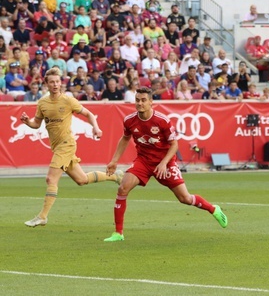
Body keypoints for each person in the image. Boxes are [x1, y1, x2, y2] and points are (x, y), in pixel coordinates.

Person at [102, 87, 227, 241]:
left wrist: (163, 163)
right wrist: (114, 160)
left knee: (185, 198)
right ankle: (118, 233)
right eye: (137, 100)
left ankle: (213, 209)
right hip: (143, 161)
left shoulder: (162, 121)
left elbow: (174, 145)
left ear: (151, 102)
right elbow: (125, 138)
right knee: (123, 188)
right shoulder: (129, 120)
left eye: (143, 100)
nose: (140, 103)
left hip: (165, 163)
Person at [21, 67, 122, 228]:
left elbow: (88, 114)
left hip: (66, 145)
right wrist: (27, 122)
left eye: (57, 82)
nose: (55, 84)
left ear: (61, 83)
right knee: (82, 180)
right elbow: (36, 124)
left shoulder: (68, 100)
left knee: (50, 179)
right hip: (56, 147)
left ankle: (42, 216)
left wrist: (96, 127)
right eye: (52, 82)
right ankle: (115, 177)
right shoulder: (42, 103)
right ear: (46, 84)